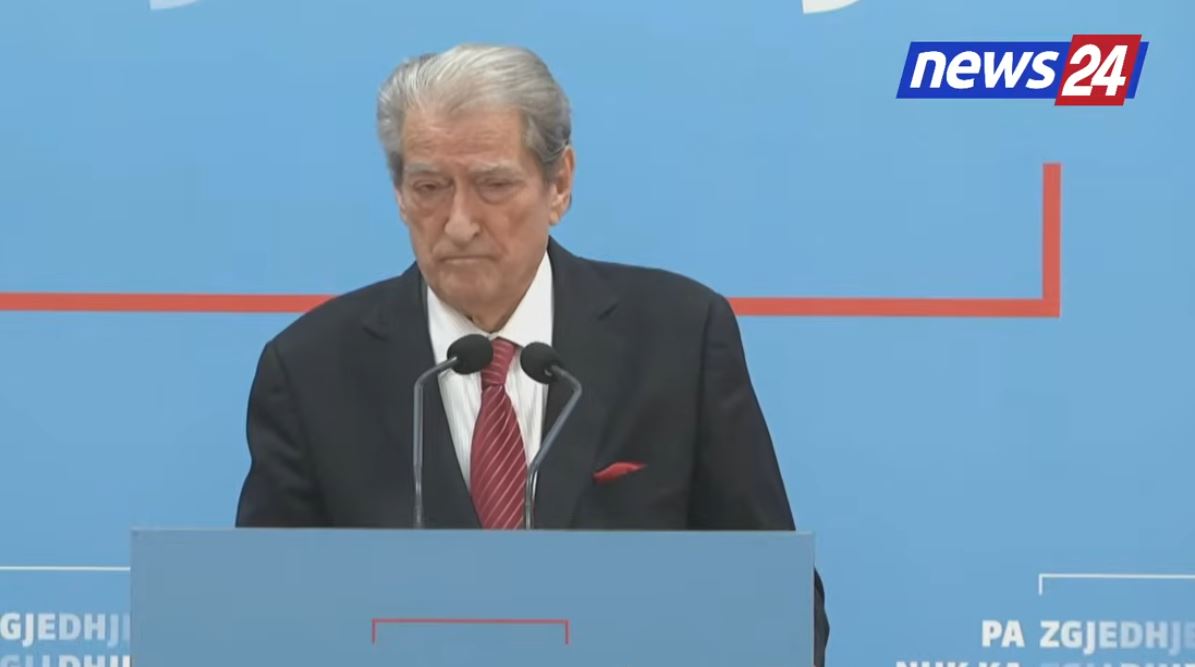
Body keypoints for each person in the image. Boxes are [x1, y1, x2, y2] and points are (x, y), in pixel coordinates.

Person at [234, 43, 829, 663]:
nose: (459, 223)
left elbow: (778, 603)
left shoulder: (680, 338)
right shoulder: (311, 370)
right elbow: (264, 618)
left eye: (493, 185)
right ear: (399, 195)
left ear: (559, 183)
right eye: (430, 187)